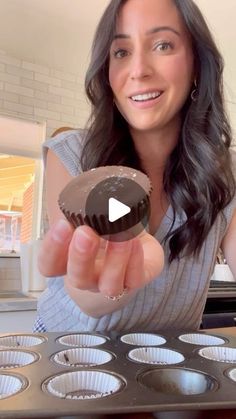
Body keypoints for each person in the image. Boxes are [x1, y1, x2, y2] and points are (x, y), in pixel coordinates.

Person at [34, 0, 236, 334]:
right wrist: (105, 282)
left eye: (163, 45)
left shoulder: (225, 172)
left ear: (197, 64)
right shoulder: (71, 154)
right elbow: (84, 295)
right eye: (121, 52)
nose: (138, 69)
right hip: (65, 360)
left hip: (168, 371)